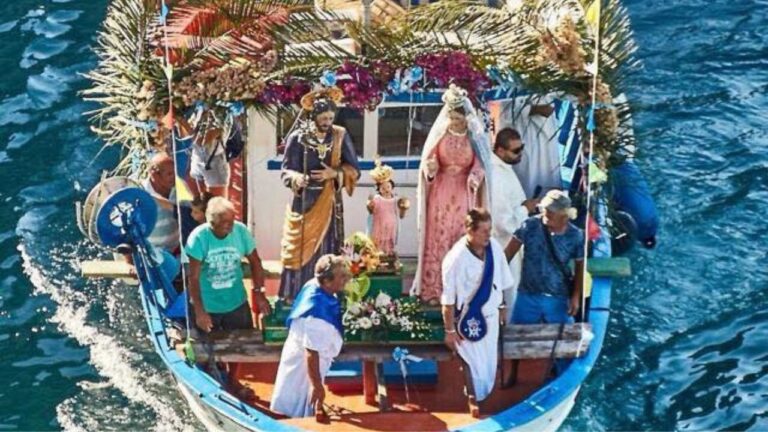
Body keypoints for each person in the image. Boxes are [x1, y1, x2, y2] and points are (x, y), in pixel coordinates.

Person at [412, 84, 493, 304]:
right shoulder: (440, 137)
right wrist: (430, 169)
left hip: (464, 192)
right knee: (439, 235)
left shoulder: (474, 139)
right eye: (452, 118)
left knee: (460, 235)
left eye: (458, 118)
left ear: (467, 118)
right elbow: (432, 159)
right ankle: (434, 289)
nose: (454, 122)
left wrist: (475, 177)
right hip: (441, 191)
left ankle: (462, 290)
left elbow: (481, 164)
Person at [279, 87, 360, 300]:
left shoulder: (339, 136)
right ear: (313, 116)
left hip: (329, 203)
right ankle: (294, 293)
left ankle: (328, 292)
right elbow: (286, 170)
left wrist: (334, 173)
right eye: (323, 117)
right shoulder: (298, 137)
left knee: (327, 247)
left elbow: (354, 169)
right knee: (299, 249)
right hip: (304, 202)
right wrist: (297, 178)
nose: (327, 122)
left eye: (330, 118)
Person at [441, 208, 514, 404]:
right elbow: (447, 300)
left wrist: (503, 307)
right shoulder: (455, 259)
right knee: (475, 367)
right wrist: (449, 330)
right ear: (470, 231)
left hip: (491, 320)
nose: (488, 235)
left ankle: (484, 398)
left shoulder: (495, 248)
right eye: (483, 231)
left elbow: (502, 280)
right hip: (469, 321)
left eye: (489, 229)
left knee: (489, 366)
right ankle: (477, 405)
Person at [270, 254, 350, 418]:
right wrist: (317, 385)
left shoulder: (314, 284)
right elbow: (311, 352)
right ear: (327, 281)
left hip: (301, 350)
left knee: (296, 397)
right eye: (341, 276)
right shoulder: (315, 317)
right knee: (298, 401)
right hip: (304, 364)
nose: (346, 279)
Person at [186, 197, 272, 332]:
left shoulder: (241, 231)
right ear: (212, 223)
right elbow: (193, 278)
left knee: (244, 346)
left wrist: (259, 293)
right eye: (224, 222)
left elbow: (255, 262)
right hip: (208, 306)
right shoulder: (198, 238)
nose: (230, 226)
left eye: (232, 220)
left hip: (237, 304)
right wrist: (199, 311)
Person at [489, 128, 540, 321]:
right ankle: (506, 330)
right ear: (500, 151)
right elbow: (504, 222)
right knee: (509, 291)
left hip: (515, 242)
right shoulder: (497, 177)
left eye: (522, 148)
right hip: (506, 244)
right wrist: (526, 209)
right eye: (515, 151)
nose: (520, 154)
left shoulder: (504, 169)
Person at [498, 96, 561, 198]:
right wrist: (534, 109)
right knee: (527, 171)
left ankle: (549, 203)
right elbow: (507, 109)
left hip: (545, 130)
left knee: (546, 167)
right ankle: (526, 205)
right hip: (523, 132)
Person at [366, 160, 409, 255]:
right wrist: (369, 204)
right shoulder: (377, 199)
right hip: (379, 227)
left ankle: (389, 257)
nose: (386, 190)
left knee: (389, 246)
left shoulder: (395, 199)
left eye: (388, 187)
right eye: (383, 188)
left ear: (392, 187)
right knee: (378, 247)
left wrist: (403, 206)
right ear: (379, 189)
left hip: (391, 228)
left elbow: (401, 211)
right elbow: (371, 210)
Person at [142, 152, 180, 253]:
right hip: (152, 255)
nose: (174, 177)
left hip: (178, 251)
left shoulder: (180, 188)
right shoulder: (139, 194)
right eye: (169, 174)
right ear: (154, 175)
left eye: (175, 172)